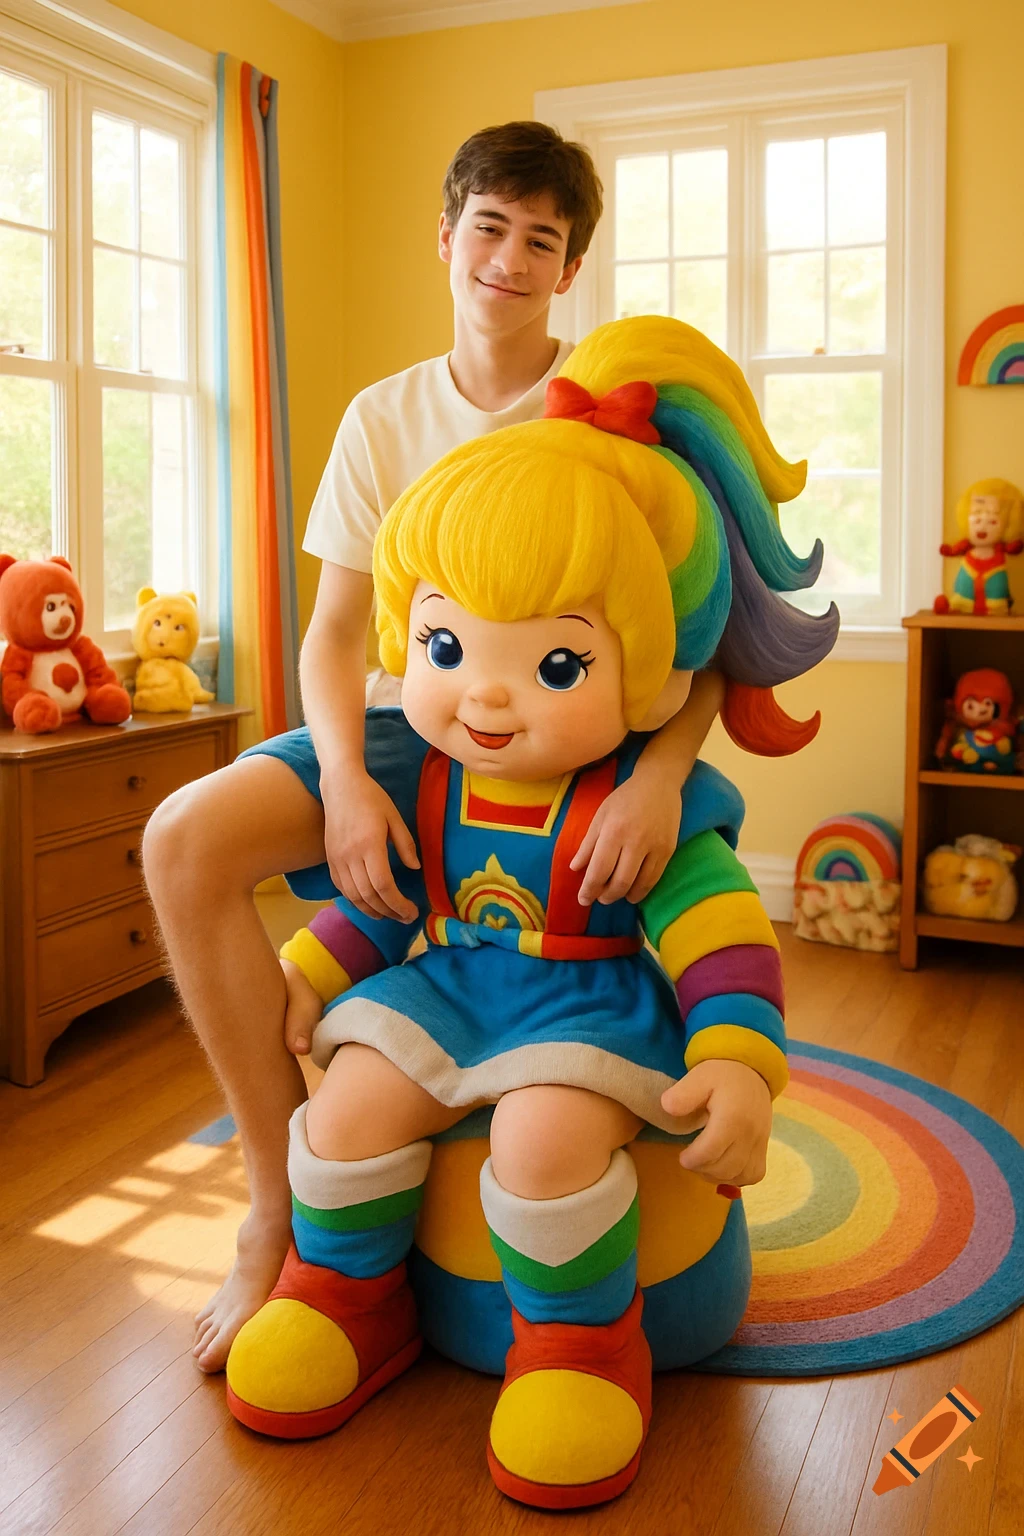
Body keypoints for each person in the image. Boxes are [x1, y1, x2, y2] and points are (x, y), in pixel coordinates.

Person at [221, 314, 838, 1509]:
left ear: (651, 677)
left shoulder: (638, 803)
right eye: (448, 646)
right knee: (345, 1111)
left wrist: (738, 1061)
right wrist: (311, 964)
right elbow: (396, 898)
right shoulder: (435, 777)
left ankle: (579, 1346)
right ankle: (348, 1299)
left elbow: (720, 931)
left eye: (555, 666)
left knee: (545, 1138)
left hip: (588, 997)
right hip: (448, 982)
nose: (483, 696)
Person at [144, 122, 725, 1373]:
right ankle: (273, 1207)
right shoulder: (381, 416)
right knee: (182, 840)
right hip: (413, 725)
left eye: (542, 240)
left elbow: (702, 638)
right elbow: (335, 635)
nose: (509, 259)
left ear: (569, 269)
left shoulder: (618, 413)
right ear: (446, 234)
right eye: (490, 226)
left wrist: (665, 776)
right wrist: (347, 782)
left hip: (574, 744)